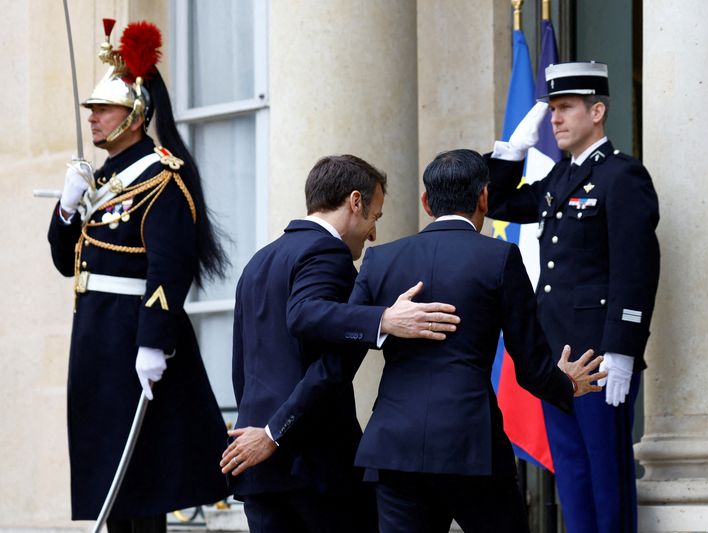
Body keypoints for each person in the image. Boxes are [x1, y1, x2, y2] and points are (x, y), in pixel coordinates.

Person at [346, 149, 606, 533]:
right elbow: (530, 365)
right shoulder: (499, 256)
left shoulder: (380, 259)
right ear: (484, 197)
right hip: (472, 448)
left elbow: (346, 332)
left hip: (393, 448)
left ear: (426, 202)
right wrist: (566, 383)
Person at [47, 20, 229, 532]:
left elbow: (169, 269)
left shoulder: (160, 177)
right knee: (109, 480)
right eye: (93, 110)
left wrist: (153, 343)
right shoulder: (96, 180)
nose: (93, 119)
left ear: (135, 115)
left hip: (133, 336)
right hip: (95, 337)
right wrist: (65, 209)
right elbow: (67, 263)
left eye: (103, 109)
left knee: (141, 483)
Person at [221, 154, 461, 533]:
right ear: (355, 202)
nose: (373, 234)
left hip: (257, 464)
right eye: (375, 217)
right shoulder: (326, 253)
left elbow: (243, 368)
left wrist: (262, 431)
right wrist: (383, 319)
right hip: (314, 466)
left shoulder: (258, 261)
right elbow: (330, 366)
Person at [486, 61, 660, 533]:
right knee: (574, 478)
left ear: (597, 111)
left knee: (607, 480)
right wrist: (510, 151)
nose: (556, 119)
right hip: (558, 356)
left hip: (599, 357)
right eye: (553, 109)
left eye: (565, 108)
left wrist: (622, 349)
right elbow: (498, 204)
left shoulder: (622, 177)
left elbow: (635, 269)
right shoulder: (561, 179)